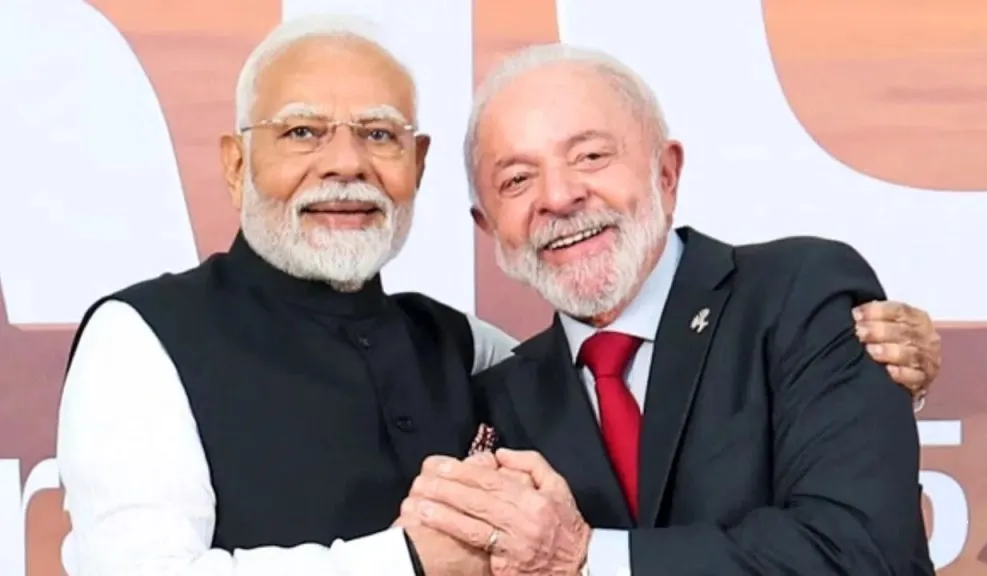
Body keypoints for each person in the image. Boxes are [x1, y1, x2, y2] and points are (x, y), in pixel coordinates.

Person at [56, 18, 939, 576]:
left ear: (416, 167)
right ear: (236, 163)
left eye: (379, 135)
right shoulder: (142, 338)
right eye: (302, 132)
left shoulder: (475, 356)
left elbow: (857, 539)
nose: (345, 163)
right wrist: (403, 561)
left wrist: (858, 372)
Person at [396, 44, 936, 575]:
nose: (558, 197)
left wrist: (588, 559)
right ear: (488, 227)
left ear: (666, 173)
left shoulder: (802, 295)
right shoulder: (495, 407)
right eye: (517, 179)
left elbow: (859, 554)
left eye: (590, 156)